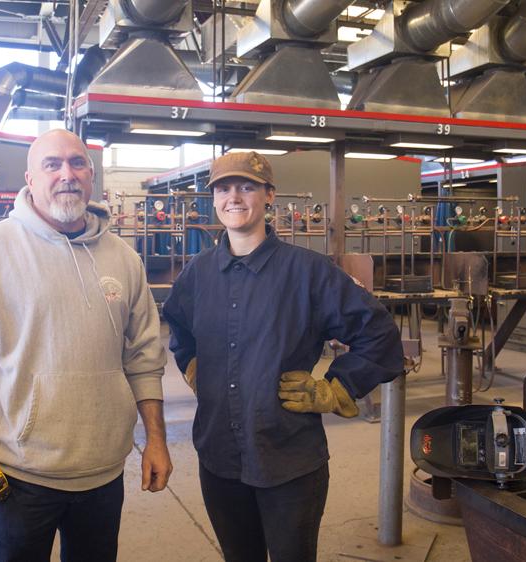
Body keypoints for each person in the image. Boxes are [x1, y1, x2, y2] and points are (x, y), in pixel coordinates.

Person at [0, 129, 172, 562]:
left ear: (92, 177)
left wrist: (156, 439)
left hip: (103, 473)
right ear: (29, 178)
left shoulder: (123, 258)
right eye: (52, 164)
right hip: (20, 477)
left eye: (78, 163)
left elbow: (145, 357)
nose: (67, 174)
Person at [162, 151, 405, 562]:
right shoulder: (197, 274)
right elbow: (179, 327)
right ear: (213, 198)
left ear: (269, 195)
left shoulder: (309, 273)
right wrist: (191, 365)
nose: (233, 197)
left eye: (247, 186)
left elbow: (378, 334)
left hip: (289, 459)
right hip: (219, 457)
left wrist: (336, 388)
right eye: (223, 188)